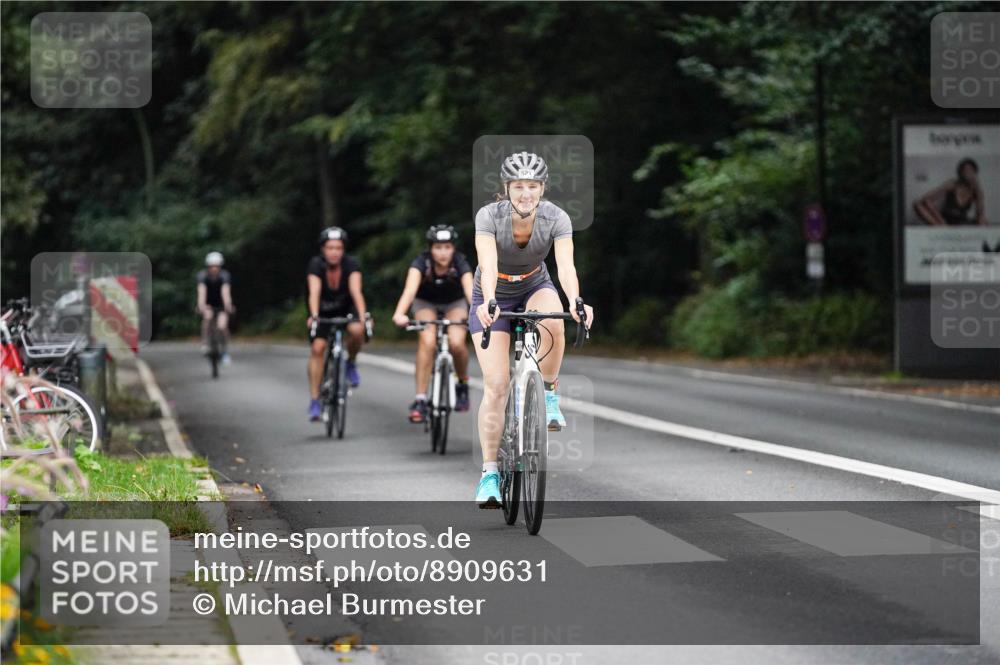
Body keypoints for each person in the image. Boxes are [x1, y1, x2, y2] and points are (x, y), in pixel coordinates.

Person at [469, 151, 593, 508]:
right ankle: (490, 473)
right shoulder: (489, 216)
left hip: (534, 285)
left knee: (553, 318)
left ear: (543, 188)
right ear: (507, 188)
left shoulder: (556, 217)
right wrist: (490, 300)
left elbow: (565, 267)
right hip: (491, 292)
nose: (526, 193)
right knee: (496, 385)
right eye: (519, 186)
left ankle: (549, 394)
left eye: (533, 186)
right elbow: (487, 263)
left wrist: (576, 300)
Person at [392, 224, 474, 423]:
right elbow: (410, 291)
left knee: (456, 343)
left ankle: (461, 384)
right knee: (427, 341)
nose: (443, 253)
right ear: (430, 248)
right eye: (438, 247)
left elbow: (471, 292)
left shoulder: (460, 263)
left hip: (454, 303)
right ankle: (420, 399)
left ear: (453, 248)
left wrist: (477, 314)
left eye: (447, 247)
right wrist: (399, 313)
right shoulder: (421, 262)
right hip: (425, 302)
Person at [306, 227, 370, 421]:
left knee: (357, 330)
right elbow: (314, 292)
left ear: (343, 250)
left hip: (346, 309)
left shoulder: (351, 264)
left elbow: (356, 291)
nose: (334, 252)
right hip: (322, 311)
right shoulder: (316, 265)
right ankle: (315, 400)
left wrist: (363, 315)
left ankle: (350, 362)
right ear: (323, 249)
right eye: (330, 248)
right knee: (318, 348)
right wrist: (314, 315)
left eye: (338, 248)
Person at [913, 158, 987, 226]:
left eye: (970, 170)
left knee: (984, 221)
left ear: (975, 173)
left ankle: (944, 228)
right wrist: (939, 218)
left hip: (961, 221)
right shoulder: (953, 184)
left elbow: (980, 213)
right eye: (965, 170)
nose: (967, 173)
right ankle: (941, 227)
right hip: (945, 219)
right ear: (960, 172)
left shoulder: (976, 189)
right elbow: (926, 197)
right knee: (917, 203)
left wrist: (977, 189)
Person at [196, 251, 234, 364]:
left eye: (216, 266)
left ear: (220, 266)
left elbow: (225, 292)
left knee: (222, 327)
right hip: (208, 304)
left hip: (221, 305)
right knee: (207, 318)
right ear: (208, 266)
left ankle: (225, 351)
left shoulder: (224, 275)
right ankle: (205, 343)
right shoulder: (202, 276)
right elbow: (201, 292)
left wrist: (228, 305)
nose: (214, 268)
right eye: (211, 266)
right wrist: (201, 305)